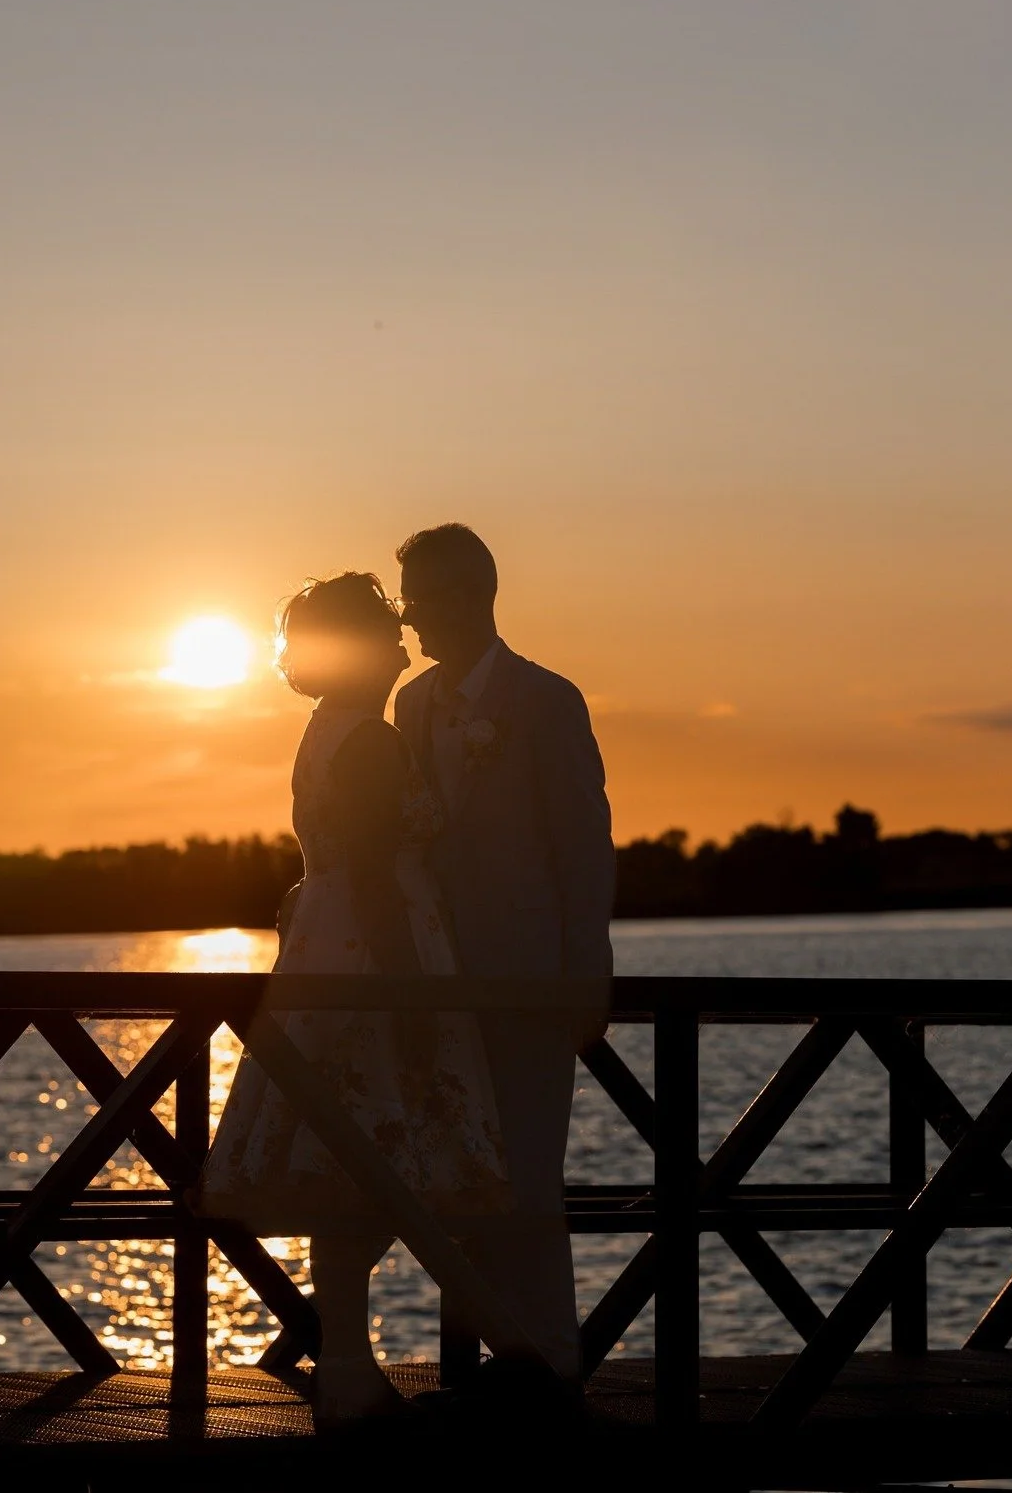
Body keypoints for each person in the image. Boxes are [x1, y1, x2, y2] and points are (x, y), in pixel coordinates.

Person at [198, 571, 507, 1425]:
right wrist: (408, 995)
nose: (405, 642)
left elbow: (330, 861)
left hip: (327, 948)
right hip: (374, 955)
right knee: (381, 1152)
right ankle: (481, 1352)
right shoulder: (370, 741)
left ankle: (345, 1362)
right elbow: (371, 874)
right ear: (360, 647)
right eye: (386, 630)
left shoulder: (325, 729)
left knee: (347, 1161)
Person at [394, 523, 615, 1391]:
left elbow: (582, 849)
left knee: (527, 1177)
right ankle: (499, 1360)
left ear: (472, 595)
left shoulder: (545, 701)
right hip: (436, 986)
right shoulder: (410, 705)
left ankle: (550, 1369)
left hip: (526, 982)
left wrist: (583, 976)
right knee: (459, 1181)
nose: (409, 617)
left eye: (418, 597)